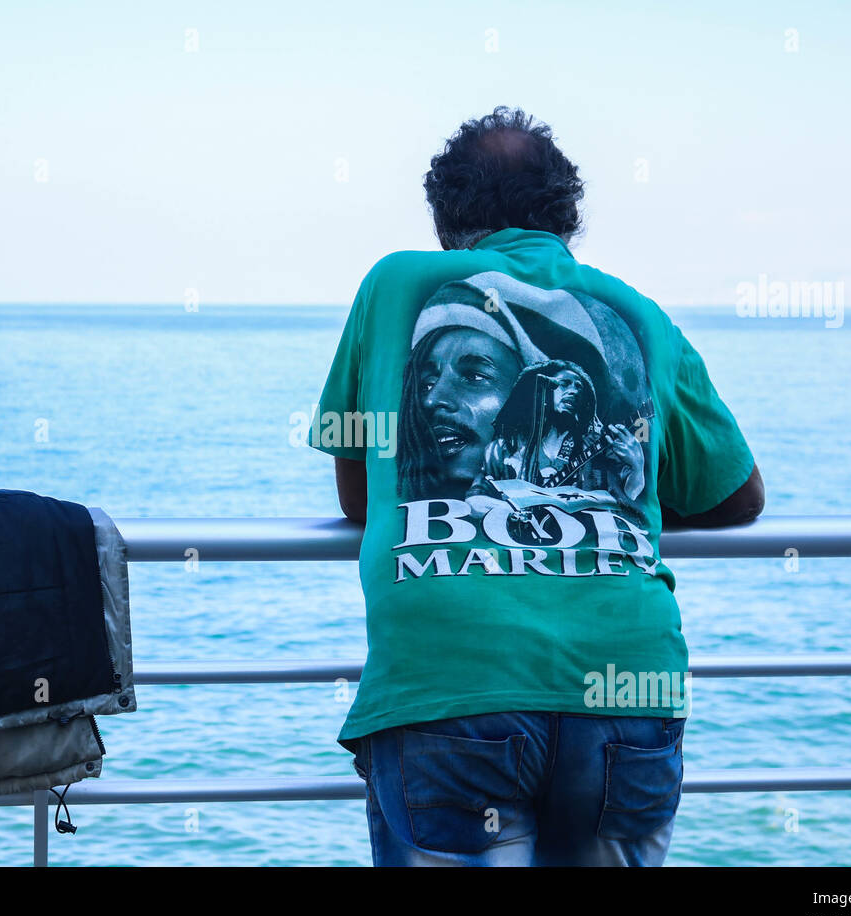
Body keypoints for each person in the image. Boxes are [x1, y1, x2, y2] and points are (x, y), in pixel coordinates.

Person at [308, 106, 763, 866]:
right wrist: (619, 501)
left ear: (447, 217)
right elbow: (736, 497)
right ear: (565, 213)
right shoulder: (638, 312)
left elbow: (359, 498)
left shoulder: (394, 285)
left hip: (449, 692)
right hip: (629, 691)